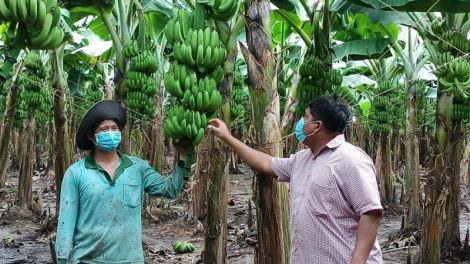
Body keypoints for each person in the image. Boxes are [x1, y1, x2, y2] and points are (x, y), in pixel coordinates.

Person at [207, 95, 383, 264]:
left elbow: (370, 212)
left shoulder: (350, 159)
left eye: (305, 117)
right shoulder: (302, 159)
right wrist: (228, 137)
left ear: (317, 126)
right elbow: (267, 163)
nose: (300, 122)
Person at [55, 99, 188, 264]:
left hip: (130, 260)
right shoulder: (76, 173)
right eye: (104, 129)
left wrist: (183, 157)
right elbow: (66, 223)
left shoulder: (137, 167)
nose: (110, 133)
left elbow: (170, 190)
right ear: (91, 136)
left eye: (114, 128)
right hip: (88, 260)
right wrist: (61, 260)